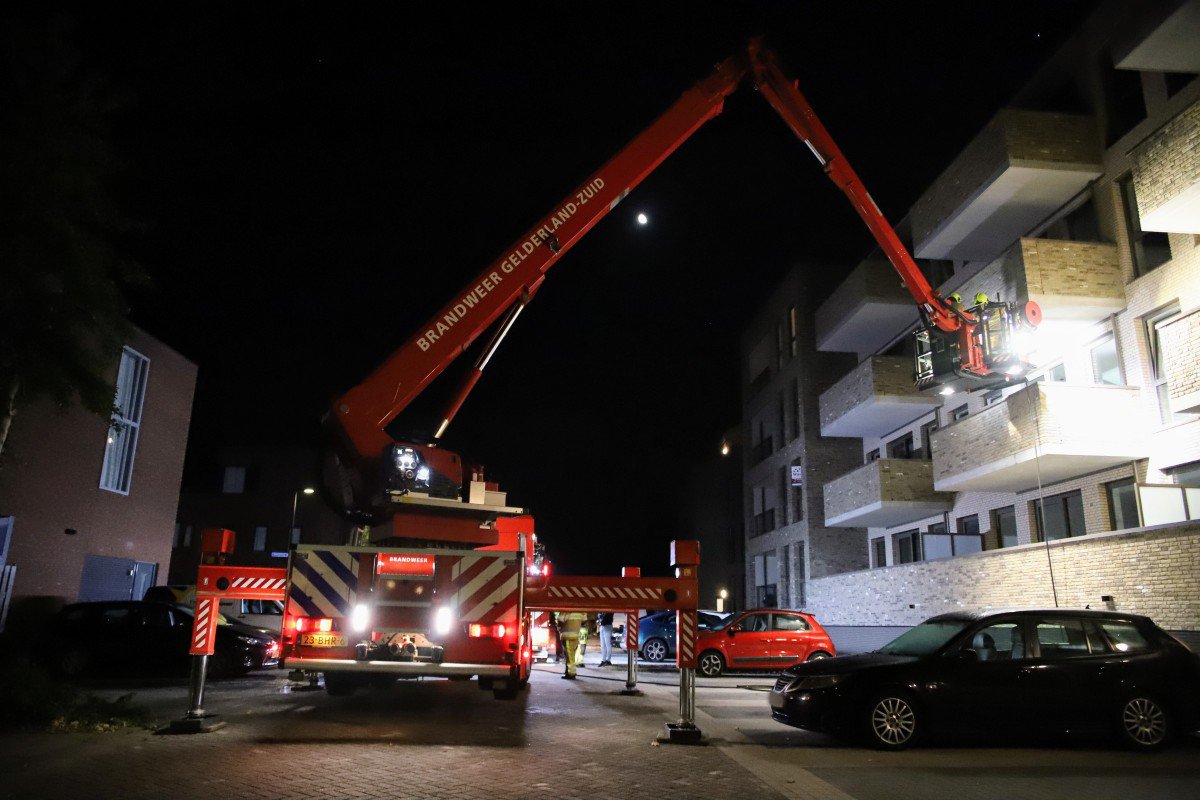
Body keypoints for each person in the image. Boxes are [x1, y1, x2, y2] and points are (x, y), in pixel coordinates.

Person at [557, 611, 587, 679]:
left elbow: (560, 621)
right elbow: (584, 621)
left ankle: (571, 674)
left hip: (567, 636)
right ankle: (568, 672)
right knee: (571, 656)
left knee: (570, 657)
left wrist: (558, 627)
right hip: (576, 636)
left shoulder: (566, 610)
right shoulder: (581, 610)